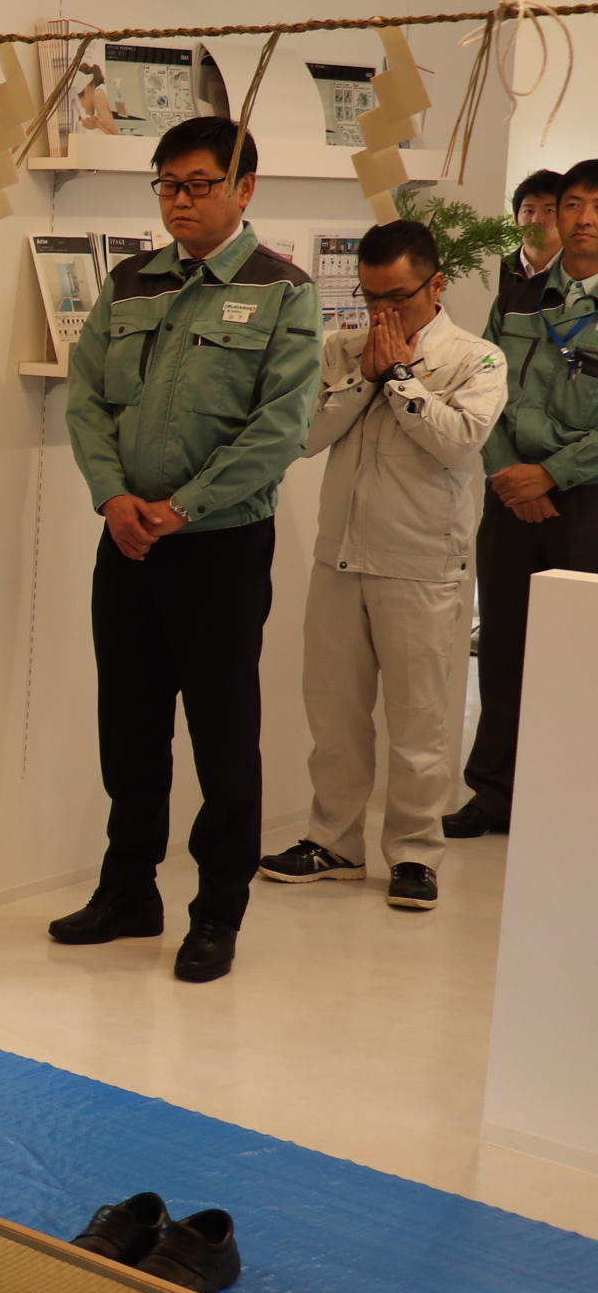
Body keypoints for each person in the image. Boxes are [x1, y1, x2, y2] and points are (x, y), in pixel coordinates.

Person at [54, 117, 321, 983]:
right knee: (129, 731)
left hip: (220, 549)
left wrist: (182, 508)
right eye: (167, 184)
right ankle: (129, 891)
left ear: (244, 190)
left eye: (199, 184)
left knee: (222, 738)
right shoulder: (130, 282)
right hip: (127, 542)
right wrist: (113, 497)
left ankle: (217, 912)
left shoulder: (283, 292)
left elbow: (280, 428)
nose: (179, 200)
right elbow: (86, 401)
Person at [257, 220, 504, 911]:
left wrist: (399, 377)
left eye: (397, 297)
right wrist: (363, 378)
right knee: (334, 715)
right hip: (339, 557)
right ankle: (334, 842)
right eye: (369, 298)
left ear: (436, 284)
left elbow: (458, 443)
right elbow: (304, 437)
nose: (381, 313)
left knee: (419, 722)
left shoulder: (477, 358)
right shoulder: (341, 350)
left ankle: (415, 854)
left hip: (422, 562)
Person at [449, 156, 598, 836]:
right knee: (505, 642)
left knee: (577, 654)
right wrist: (510, 472)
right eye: (572, 204)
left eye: (597, 207)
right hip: (510, 495)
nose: (584, 219)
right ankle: (495, 793)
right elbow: (483, 381)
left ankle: (568, 801)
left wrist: (553, 474)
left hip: (585, 499)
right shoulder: (520, 291)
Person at [498, 168, 565, 322]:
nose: (536, 220)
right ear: (516, 219)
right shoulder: (499, 272)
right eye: (529, 211)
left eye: (549, 210)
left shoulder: (581, 274)